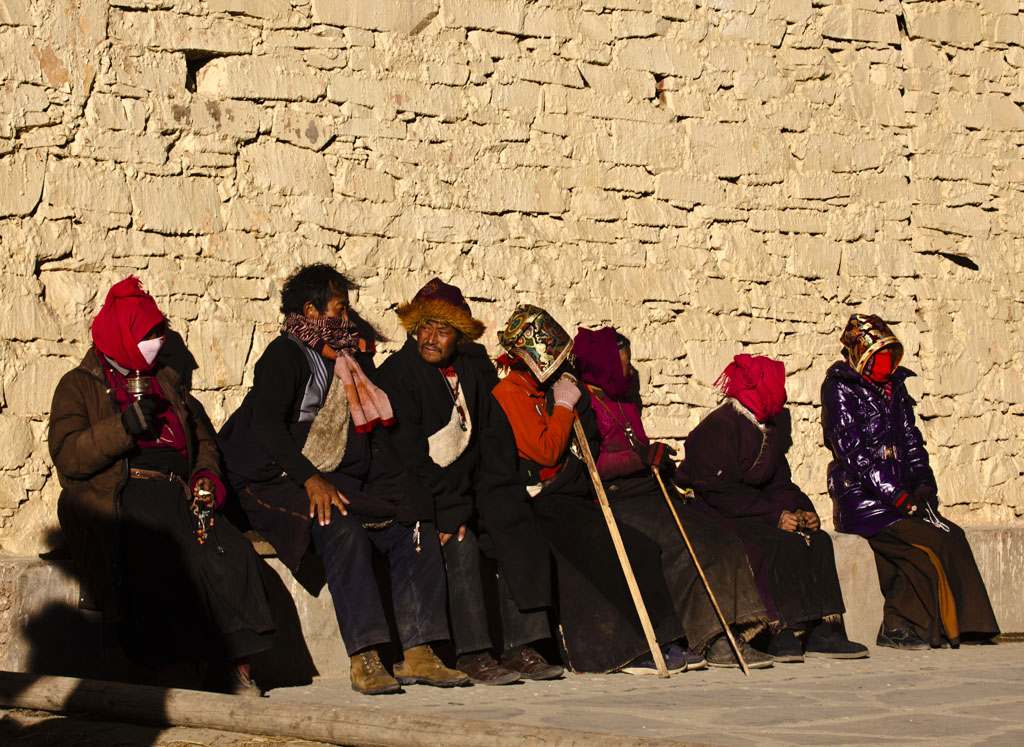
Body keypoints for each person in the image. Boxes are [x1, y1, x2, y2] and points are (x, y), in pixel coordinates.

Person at [217, 264, 467, 695]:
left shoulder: (349, 357)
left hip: (332, 466)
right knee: (341, 525)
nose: (348, 319)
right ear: (311, 312)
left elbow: (364, 431)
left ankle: (420, 649)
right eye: (339, 309)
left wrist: (413, 492)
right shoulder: (284, 356)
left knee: (414, 515)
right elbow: (268, 430)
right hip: (273, 474)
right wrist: (310, 479)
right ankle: (366, 657)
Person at [49, 277, 274, 695]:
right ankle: (174, 667)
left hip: (178, 491)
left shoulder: (167, 381)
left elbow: (203, 438)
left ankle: (233, 663)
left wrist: (205, 478)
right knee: (161, 556)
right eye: (148, 334)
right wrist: (124, 427)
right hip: (122, 489)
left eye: (159, 333)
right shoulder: (78, 385)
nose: (157, 342)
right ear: (123, 335)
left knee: (230, 550)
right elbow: (69, 455)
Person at [483, 304, 691, 674]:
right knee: (601, 555)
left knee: (641, 547)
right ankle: (630, 648)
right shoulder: (509, 395)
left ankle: (666, 637)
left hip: (572, 496)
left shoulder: (544, 389)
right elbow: (545, 451)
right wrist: (563, 406)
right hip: (540, 501)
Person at [374, 278, 563, 684]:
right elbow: (406, 456)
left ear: (458, 336)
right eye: (424, 327)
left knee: (514, 522)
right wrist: (449, 508)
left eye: (442, 331)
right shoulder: (396, 375)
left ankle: (523, 645)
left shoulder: (472, 373)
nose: (430, 338)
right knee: (461, 542)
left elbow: (494, 442)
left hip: (473, 487)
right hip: (426, 493)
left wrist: (499, 494)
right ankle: (471, 652)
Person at [572, 327, 772, 669]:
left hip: (648, 491)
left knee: (717, 540)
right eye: (622, 364)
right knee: (677, 547)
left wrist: (654, 458)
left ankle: (730, 633)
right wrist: (640, 458)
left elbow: (638, 444)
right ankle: (708, 637)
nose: (629, 370)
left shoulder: (624, 398)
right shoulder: (584, 404)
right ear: (602, 365)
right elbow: (593, 463)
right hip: (618, 499)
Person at [820, 314, 999, 649]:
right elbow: (854, 454)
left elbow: (912, 443)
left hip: (903, 497)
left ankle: (969, 624)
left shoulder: (894, 387)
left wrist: (924, 487)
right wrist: (896, 496)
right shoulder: (839, 388)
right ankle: (898, 626)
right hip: (865, 500)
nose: (885, 367)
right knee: (922, 551)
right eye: (878, 360)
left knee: (952, 535)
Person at [675, 354, 868, 663]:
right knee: (771, 545)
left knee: (816, 541)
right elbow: (717, 488)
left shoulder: (769, 428)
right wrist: (774, 516)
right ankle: (779, 631)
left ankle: (820, 630)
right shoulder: (719, 427)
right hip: (716, 509)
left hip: (755, 506)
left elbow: (779, 482)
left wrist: (800, 509)